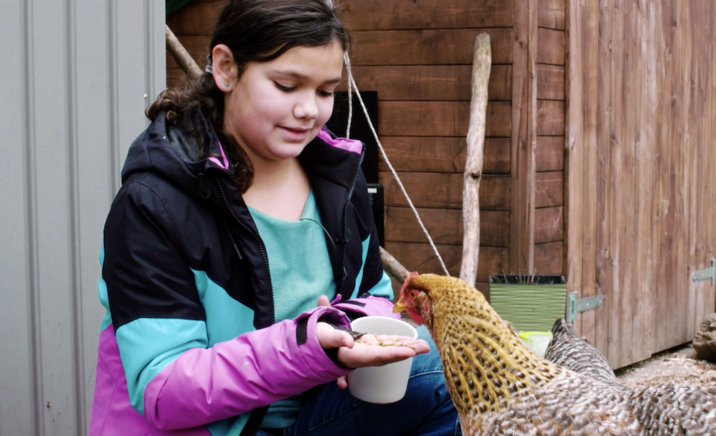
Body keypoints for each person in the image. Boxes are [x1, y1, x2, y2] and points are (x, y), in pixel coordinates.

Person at [88, 1, 460, 435]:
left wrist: (354, 332)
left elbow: (373, 296)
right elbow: (164, 389)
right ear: (225, 68)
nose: (310, 110)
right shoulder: (154, 204)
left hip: (313, 415)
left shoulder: (338, 180)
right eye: (287, 85)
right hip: (202, 427)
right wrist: (309, 345)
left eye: (324, 91)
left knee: (442, 375)